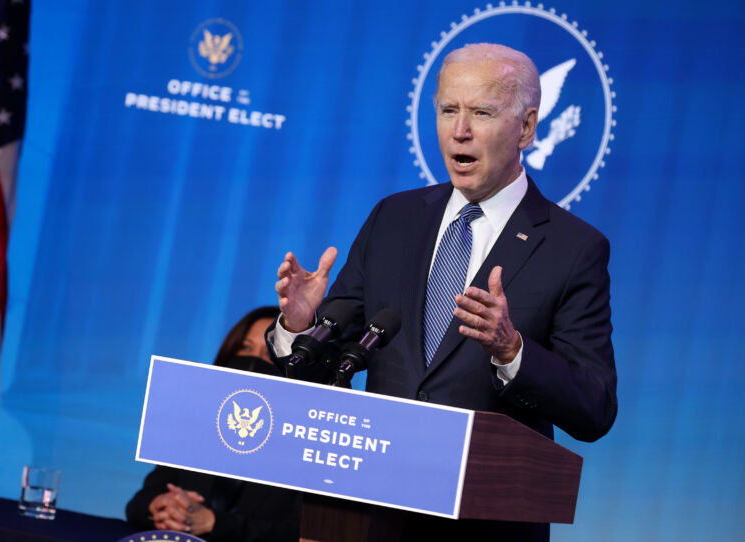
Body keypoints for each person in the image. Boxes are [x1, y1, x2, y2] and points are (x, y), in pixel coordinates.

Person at [270, 43, 617, 541]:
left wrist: (512, 352)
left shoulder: (574, 248)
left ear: (526, 127)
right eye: (448, 110)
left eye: (481, 112)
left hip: (489, 524)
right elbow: (341, 355)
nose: (460, 130)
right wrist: (302, 326)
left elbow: (595, 407)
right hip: (374, 517)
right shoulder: (395, 217)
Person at [126, 306, 301, 542]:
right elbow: (139, 503)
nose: (254, 362)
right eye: (245, 348)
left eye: (271, 353)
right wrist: (162, 507)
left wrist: (212, 522)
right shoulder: (196, 426)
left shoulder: (303, 447)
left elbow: (300, 534)